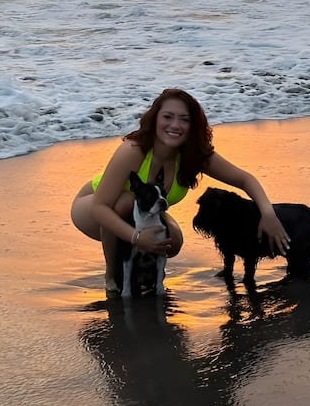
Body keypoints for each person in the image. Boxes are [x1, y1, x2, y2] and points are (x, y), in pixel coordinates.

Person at [70, 87, 290, 295]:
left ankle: (140, 268)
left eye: (185, 119)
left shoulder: (192, 155)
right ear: (155, 119)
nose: (175, 125)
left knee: (172, 241)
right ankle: (112, 277)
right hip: (93, 206)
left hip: (140, 213)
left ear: (193, 125)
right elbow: (100, 207)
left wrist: (268, 215)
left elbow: (245, 179)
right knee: (127, 201)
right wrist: (136, 237)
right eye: (168, 117)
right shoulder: (134, 150)